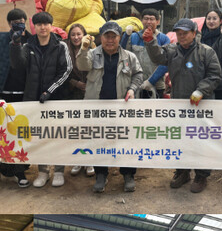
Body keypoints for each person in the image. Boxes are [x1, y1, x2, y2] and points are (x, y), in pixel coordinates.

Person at [146, 18, 222, 193]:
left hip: (201, 104)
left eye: (185, 33)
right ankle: (182, 171)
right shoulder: (172, 50)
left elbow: (215, 76)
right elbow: (158, 57)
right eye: (179, 33)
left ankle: (201, 175)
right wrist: (150, 42)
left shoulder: (206, 52)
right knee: (179, 140)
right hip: (179, 104)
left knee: (201, 140)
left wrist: (201, 90)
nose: (182, 36)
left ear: (194, 34)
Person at [76, 21, 144, 194]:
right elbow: (82, 66)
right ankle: (101, 174)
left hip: (122, 108)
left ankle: (128, 175)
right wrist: (83, 49)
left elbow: (138, 74)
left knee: (126, 141)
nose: (110, 40)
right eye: (107, 36)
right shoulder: (92, 53)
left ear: (120, 37)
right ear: (101, 37)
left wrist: (132, 89)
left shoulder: (129, 56)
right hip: (97, 108)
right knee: (99, 141)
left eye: (114, 36)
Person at [20, 11, 72, 188]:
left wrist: (49, 91)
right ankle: (43, 171)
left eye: (46, 23)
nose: (43, 27)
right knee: (39, 136)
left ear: (51, 25)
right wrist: (14, 45)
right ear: (34, 26)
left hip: (56, 99)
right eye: (39, 24)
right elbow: (18, 66)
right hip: (33, 100)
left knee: (58, 135)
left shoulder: (61, 46)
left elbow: (66, 71)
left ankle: (58, 170)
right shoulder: (28, 46)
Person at [65, 23, 95, 178]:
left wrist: (89, 84)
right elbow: (61, 71)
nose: (76, 37)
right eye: (73, 34)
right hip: (72, 93)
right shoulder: (64, 50)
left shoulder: (92, 48)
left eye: (79, 34)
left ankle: (90, 160)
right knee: (75, 128)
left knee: (89, 127)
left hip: (90, 93)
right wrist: (76, 83)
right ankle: (78, 159)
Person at [128, 9, 170, 99]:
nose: (149, 22)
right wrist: (126, 36)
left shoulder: (164, 39)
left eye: (152, 19)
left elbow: (166, 63)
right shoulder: (133, 37)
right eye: (146, 19)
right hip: (136, 84)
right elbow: (126, 57)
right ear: (141, 20)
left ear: (158, 21)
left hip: (157, 85)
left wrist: (151, 81)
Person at [198, 9, 222, 101]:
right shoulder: (199, 37)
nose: (211, 21)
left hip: (221, 81)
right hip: (202, 81)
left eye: (214, 18)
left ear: (220, 21)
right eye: (209, 18)